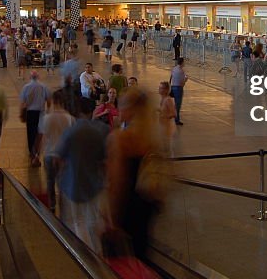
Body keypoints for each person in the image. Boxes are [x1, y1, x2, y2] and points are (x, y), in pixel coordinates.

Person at [106, 88, 163, 261]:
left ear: (130, 109)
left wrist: (113, 220)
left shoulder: (121, 139)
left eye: (122, 106)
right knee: (141, 253)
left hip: (127, 208)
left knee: (123, 262)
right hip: (146, 207)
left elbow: (118, 182)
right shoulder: (152, 139)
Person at [54, 99, 109, 251]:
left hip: (74, 183)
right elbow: (104, 160)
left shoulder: (70, 132)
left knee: (78, 221)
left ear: (77, 113)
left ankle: (85, 253)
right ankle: (97, 250)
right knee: (93, 218)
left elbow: (59, 157)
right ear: (91, 112)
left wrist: (60, 177)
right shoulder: (99, 132)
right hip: (94, 183)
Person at [41, 91, 74, 212]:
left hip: (49, 154)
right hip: (64, 156)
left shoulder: (46, 118)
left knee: (50, 181)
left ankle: (52, 205)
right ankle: (63, 205)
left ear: (54, 102)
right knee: (62, 182)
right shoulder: (69, 118)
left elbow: (44, 137)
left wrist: (38, 154)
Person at [19, 71, 50, 166]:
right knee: (40, 134)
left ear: (30, 77)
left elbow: (23, 102)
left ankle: (31, 152)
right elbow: (49, 100)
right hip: (41, 112)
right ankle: (37, 153)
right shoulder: (43, 86)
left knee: (31, 133)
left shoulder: (26, 87)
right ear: (38, 77)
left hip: (30, 113)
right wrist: (47, 110)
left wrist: (21, 113)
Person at [157, 82, 176, 156]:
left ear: (166, 90)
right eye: (159, 88)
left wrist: (164, 116)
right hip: (162, 125)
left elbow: (174, 113)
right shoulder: (162, 99)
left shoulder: (168, 100)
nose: (159, 89)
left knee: (167, 146)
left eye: (161, 88)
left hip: (167, 126)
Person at [169, 58, 188, 126]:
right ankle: (177, 120)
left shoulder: (174, 68)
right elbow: (182, 82)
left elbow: (171, 76)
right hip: (178, 88)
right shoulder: (181, 71)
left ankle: (173, 115)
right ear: (182, 63)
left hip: (173, 86)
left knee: (175, 104)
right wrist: (186, 79)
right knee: (178, 105)